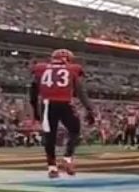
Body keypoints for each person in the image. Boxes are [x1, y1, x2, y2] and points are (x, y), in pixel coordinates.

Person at [29, 49, 95, 178]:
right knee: (75, 130)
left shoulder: (41, 68)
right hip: (65, 103)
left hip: (47, 104)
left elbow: (33, 91)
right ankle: (67, 158)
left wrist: (35, 110)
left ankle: (52, 167)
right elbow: (80, 91)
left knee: (50, 137)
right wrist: (89, 109)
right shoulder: (73, 69)